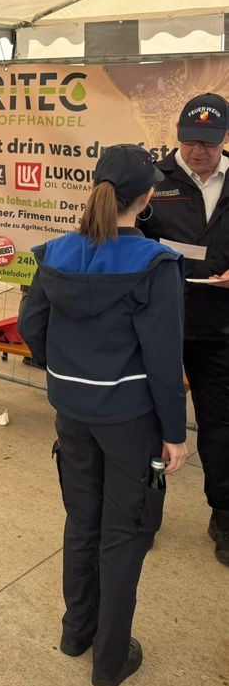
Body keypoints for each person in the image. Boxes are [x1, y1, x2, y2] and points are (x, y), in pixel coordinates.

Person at [18, 144, 188, 686]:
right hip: (130, 421)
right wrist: (174, 433)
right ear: (148, 196)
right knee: (125, 533)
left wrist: (65, 371)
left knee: (81, 520)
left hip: (72, 412)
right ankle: (110, 660)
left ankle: (76, 632)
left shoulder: (55, 253)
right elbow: (164, 361)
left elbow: (32, 326)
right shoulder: (157, 264)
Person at [139, 92, 229, 566]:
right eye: (190, 140)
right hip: (160, 321)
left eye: (208, 143)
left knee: (222, 426)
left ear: (224, 139)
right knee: (150, 423)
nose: (198, 151)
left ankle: (225, 516)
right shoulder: (154, 180)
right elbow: (128, 237)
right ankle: (145, 511)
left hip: (220, 327)